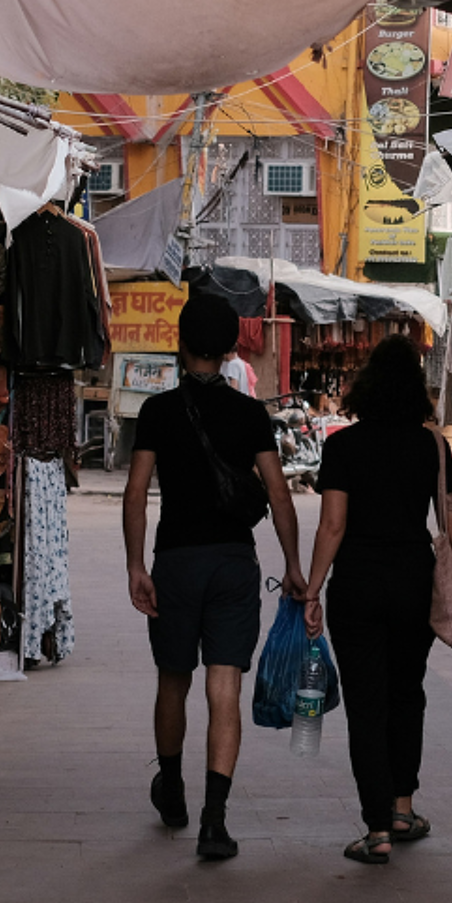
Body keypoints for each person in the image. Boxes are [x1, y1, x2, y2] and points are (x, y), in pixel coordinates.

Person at [124, 293, 305, 860]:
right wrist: (294, 566)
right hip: (232, 562)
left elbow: (135, 493)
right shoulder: (251, 414)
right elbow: (278, 494)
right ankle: (214, 821)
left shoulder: (157, 412)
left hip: (175, 562)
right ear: (231, 349)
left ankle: (172, 789)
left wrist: (135, 565)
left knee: (173, 679)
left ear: (180, 344)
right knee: (223, 683)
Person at [301, 336, 452, 864]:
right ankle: (403, 806)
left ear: (368, 386)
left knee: (367, 704)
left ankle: (377, 828)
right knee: (407, 694)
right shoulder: (432, 446)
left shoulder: (343, 447)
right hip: (412, 584)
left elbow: (332, 526)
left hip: (356, 585)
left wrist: (311, 590)